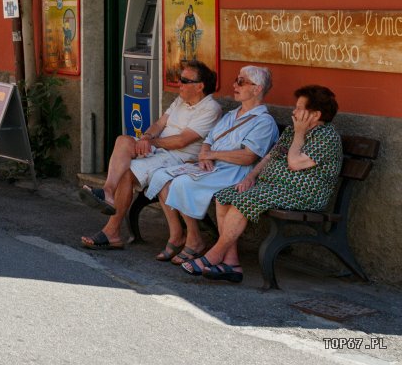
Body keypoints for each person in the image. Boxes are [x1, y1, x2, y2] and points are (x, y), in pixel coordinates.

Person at [186, 85, 342, 283]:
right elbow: (270, 156)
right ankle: (232, 263)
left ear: (315, 114)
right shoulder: (295, 131)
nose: (293, 112)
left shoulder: (327, 137)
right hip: (275, 188)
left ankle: (214, 254)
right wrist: (251, 176)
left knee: (244, 200)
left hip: (303, 195)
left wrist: (300, 134)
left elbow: (294, 163)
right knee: (224, 196)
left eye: (299, 108)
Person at [80, 60, 223, 253]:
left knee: (127, 172)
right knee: (123, 140)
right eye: (179, 79)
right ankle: (107, 190)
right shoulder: (180, 100)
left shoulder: (211, 108)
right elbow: (159, 124)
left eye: (184, 80)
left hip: (179, 158)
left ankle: (111, 231)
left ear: (200, 86)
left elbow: (182, 141)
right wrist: (147, 136)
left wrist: (151, 143)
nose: (179, 84)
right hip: (160, 150)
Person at [167, 65, 281, 275]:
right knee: (174, 178)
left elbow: (248, 156)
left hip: (237, 173)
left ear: (257, 89)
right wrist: (204, 155)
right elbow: (209, 141)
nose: (234, 85)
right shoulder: (231, 116)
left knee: (183, 182)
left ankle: (199, 243)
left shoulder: (264, 122)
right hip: (216, 169)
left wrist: (212, 155)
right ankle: (222, 254)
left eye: (241, 82)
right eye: (236, 80)